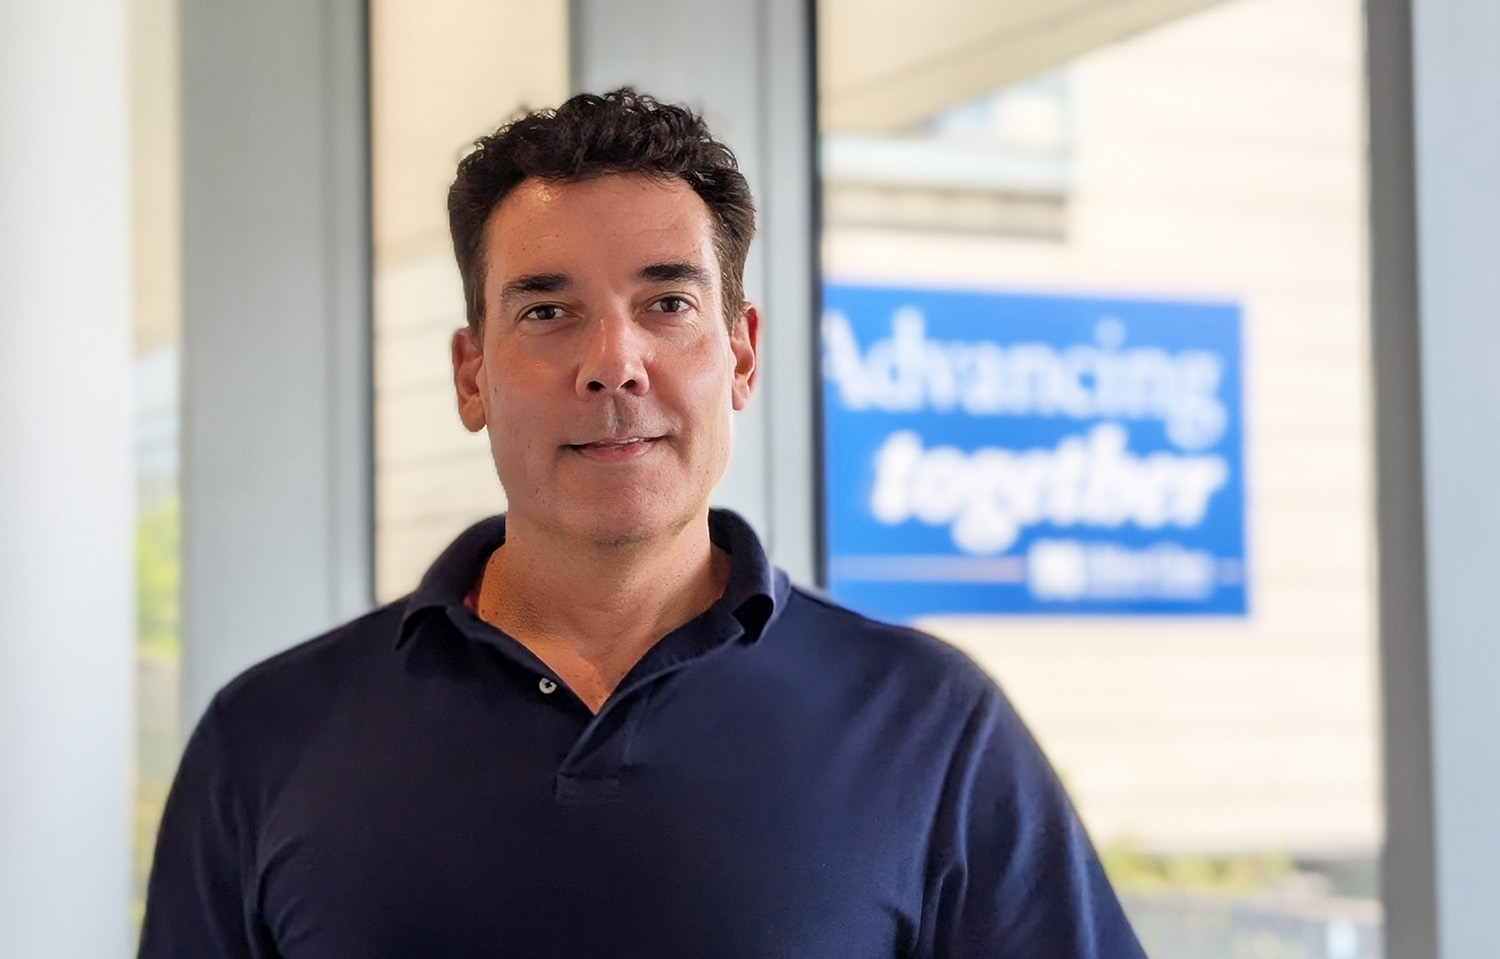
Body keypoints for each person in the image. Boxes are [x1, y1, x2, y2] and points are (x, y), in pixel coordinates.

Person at [139, 88, 1145, 958]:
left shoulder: (930, 726)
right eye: (547, 311)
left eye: (667, 302)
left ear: (742, 355)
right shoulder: (266, 738)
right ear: (470, 373)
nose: (613, 362)